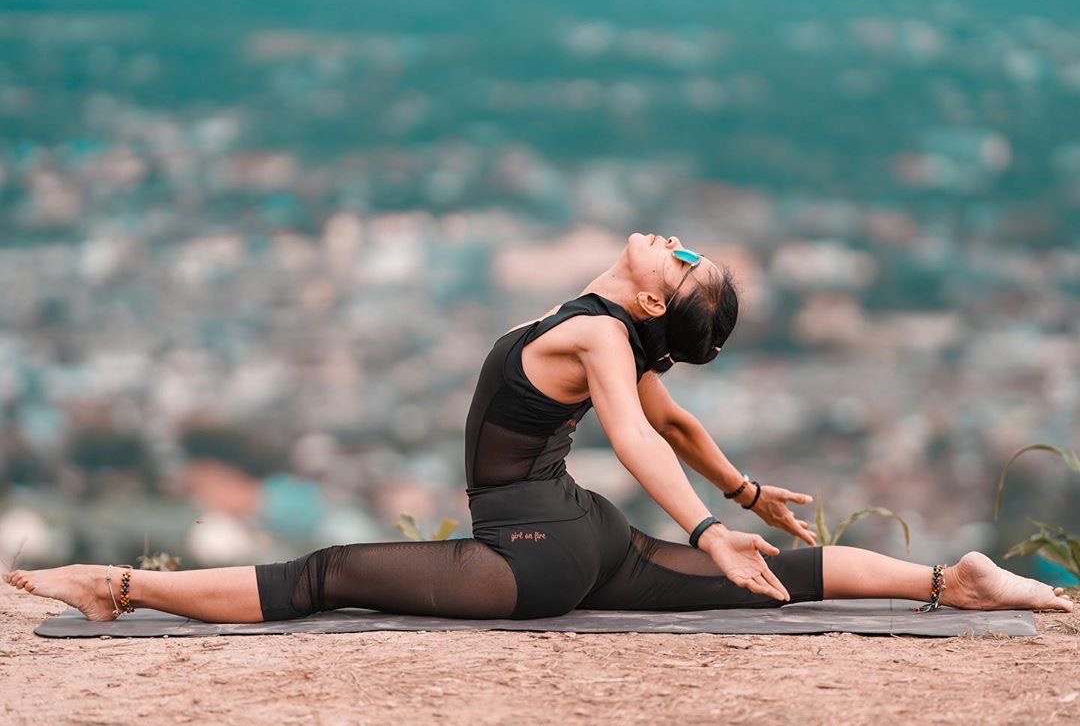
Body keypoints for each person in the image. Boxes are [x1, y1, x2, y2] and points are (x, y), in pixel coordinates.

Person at [4, 233, 1072, 622]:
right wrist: (745, 500)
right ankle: (952, 582)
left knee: (322, 576)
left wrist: (704, 527)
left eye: (685, 263)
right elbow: (681, 419)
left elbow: (644, 438)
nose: (675, 242)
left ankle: (115, 587)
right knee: (777, 577)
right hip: (577, 536)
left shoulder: (606, 339)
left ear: (655, 303)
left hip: (538, 546)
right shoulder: (614, 330)